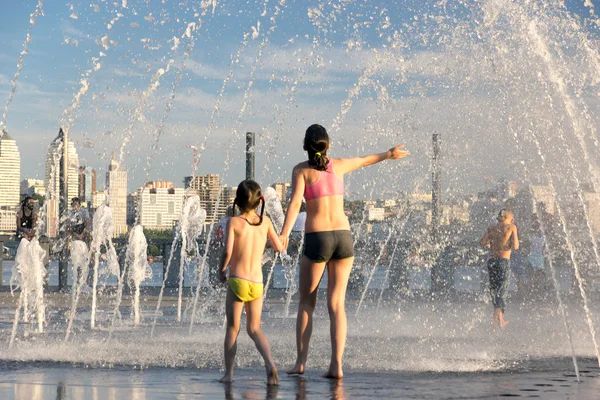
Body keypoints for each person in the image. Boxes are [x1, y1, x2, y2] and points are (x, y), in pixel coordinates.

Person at [280, 124, 409, 378]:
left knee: (307, 303)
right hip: (343, 237)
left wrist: (284, 233)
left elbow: (295, 203)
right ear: (328, 145)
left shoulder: (301, 171)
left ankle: (301, 363)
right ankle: (336, 365)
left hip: (318, 237)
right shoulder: (338, 165)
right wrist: (388, 154)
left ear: (306, 146)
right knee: (337, 305)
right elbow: (364, 160)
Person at [218, 180, 284, 385]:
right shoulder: (265, 222)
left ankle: (229, 375)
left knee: (233, 328)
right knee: (254, 329)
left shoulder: (234, 222)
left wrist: (221, 270)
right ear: (258, 202)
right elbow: (279, 247)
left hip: (238, 281)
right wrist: (279, 243)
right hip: (257, 283)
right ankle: (270, 363)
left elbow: (228, 251)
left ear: (236, 201)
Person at [479, 209, 519, 328]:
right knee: (502, 288)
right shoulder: (512, 227)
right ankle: (496, 315)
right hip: (503, 261)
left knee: (494, 288)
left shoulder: (491, 228)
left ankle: (499, 319)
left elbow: (482, 242)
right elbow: (516, 246)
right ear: (510, 219)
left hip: (492, 261)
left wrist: (491, 243)